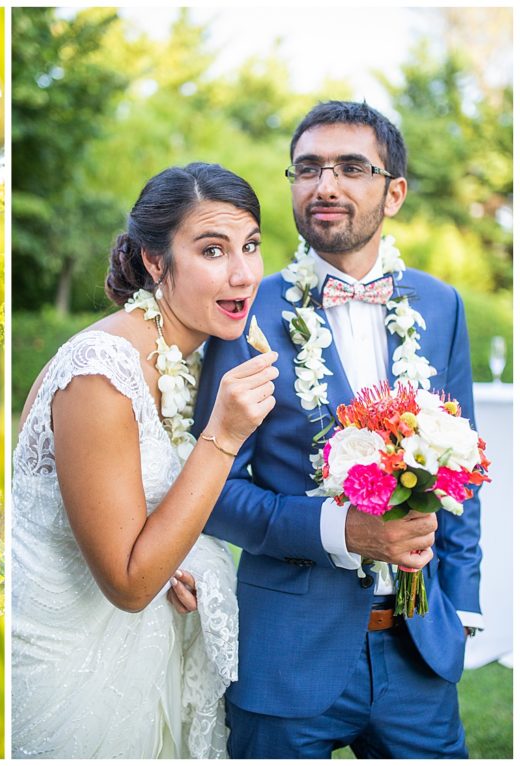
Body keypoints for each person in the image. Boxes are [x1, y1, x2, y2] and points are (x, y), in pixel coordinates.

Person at [193, 101, 482, 758]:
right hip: (286, 654)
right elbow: (212, 488)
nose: (326, 185)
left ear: (395, 191)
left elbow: (466, 471)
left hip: (420, 649)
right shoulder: (243, 311)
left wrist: (461, 609)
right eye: (309, 168)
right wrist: (341, 531)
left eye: (352, 167)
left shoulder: (443, 306)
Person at [12, 163, 279, 758]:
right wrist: (224, 436)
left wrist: (187, 566)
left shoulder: (197, 359)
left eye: (251, 246)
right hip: (67, 673)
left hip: (142, 657)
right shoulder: (100, 372)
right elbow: (130, 584)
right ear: (157, 262)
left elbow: (145, 527)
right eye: (213, 250)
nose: (242, 273)